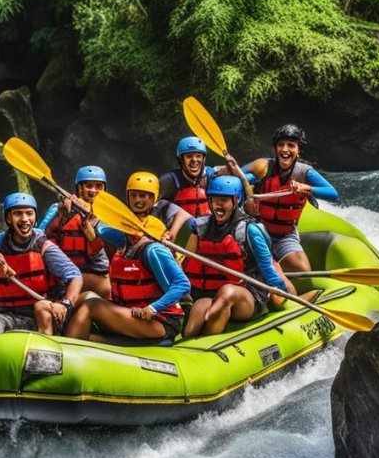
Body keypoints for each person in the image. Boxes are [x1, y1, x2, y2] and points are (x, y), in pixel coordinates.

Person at [64, 175, 190, 343]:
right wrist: (85, 206)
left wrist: (153, 308)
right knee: (86, 296)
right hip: (129, 312)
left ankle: (68, 349)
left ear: (153, 200)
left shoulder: (153, 250)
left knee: (92, 305)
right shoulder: (124, 240)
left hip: (158, 320)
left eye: (144, 196)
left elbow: (183, 284)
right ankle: (62, 332)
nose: (138, 200)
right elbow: (102, 229)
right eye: (134, 195)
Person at [180, 176, 293, 337]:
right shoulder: (200, 228)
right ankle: (186, 345)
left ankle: (210, 344)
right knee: (199, 308)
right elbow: (186, 263)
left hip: (248, 293)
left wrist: (279, 290)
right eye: (214, 200)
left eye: (224, 200)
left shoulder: (250, 230)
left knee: (227, 294)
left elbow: (267, 266)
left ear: (236, 200)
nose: (218, 204)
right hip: (210, 292)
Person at [0, 193, 83, 335]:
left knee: (41, 308)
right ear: (8, 218)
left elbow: (75, 276)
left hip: (39, 313)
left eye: (29, 213)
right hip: (6, 312)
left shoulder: (43, 246)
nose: (24, 219)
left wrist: (66, 303)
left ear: (35, 217)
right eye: (18, 214)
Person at [241, 124, 339, 273]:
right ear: (275, 149)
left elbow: (332, 194)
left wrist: (307, 188)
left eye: (291, 145)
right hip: (258, 229)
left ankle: (272, 266)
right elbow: (241, 175)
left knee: (303, 269)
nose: (285, 149)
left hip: (285, 234)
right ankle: (265, 266)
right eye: (281, 145)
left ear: (298, 151)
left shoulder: (304, 172)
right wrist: (247, 196)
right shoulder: (264, 168)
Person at [36, 166, 111, 298]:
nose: (94, 191)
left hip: (96, 272)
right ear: (79, 188)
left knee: (107, 288)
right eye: (89, 186)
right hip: (65, 272)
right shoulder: (59, 209)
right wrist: (63, 217)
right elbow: (37, 235)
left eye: (98, 186)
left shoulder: (109, 216)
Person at [159, 136, 216, 219]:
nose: (194, 160)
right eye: (189, 156)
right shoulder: (168, 182)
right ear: (181, 160)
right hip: (177, 228)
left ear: (204, 159)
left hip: (206, 228)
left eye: (198, 156)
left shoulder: (210, 176)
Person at [129, 171, 192, 243]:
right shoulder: (126, 214)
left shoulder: (162, 207)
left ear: (153, 197)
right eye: (133, 195)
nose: (137, 200)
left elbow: (184, 216)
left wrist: (170, 234)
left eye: (142, 196)